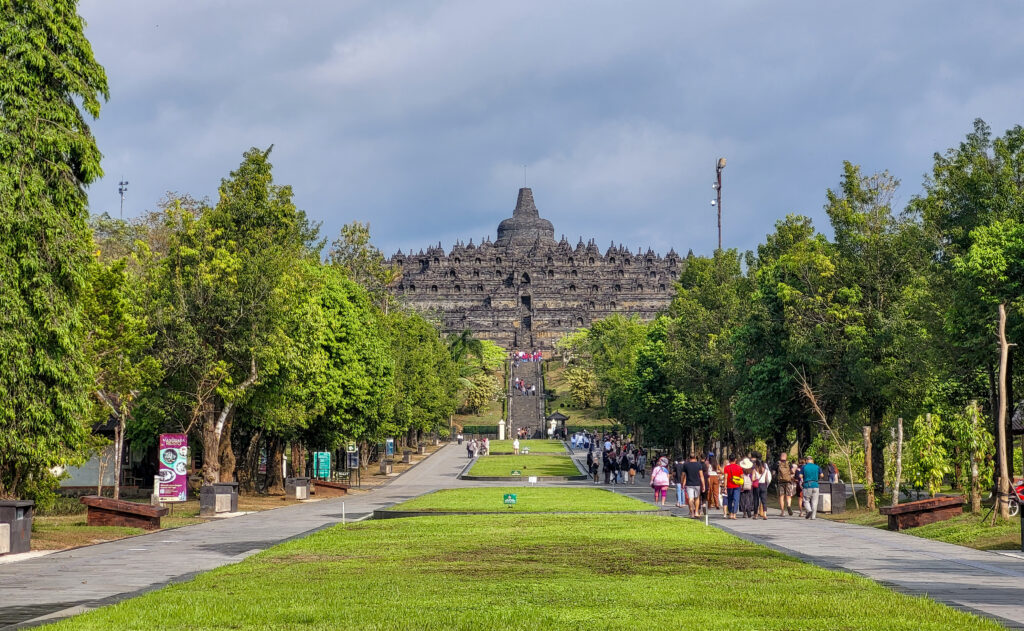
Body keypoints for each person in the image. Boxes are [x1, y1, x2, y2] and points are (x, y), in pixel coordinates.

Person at [682, 453, 706, 518]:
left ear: (689, 458)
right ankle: (696, 512)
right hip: (697, 484)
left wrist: (682, 483)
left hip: (689, 484)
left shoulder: (685, 465)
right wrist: (703, 485)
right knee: (697, 498)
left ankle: (691, 512)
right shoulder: (698, 465)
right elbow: (701, 476)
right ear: (695, 457)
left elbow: (683, 475)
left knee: (690, 499)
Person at [723, 455, 743, 519]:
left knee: (730, 500)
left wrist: (725, 487)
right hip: (737, 485)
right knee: (736, 500)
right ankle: (734, 514)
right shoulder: (739, 467)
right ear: (735, 460)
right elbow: (742, 477)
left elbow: (725, 478)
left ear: (729, 460)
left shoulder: (726, 467)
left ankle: (730, 514)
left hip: (729, 486)